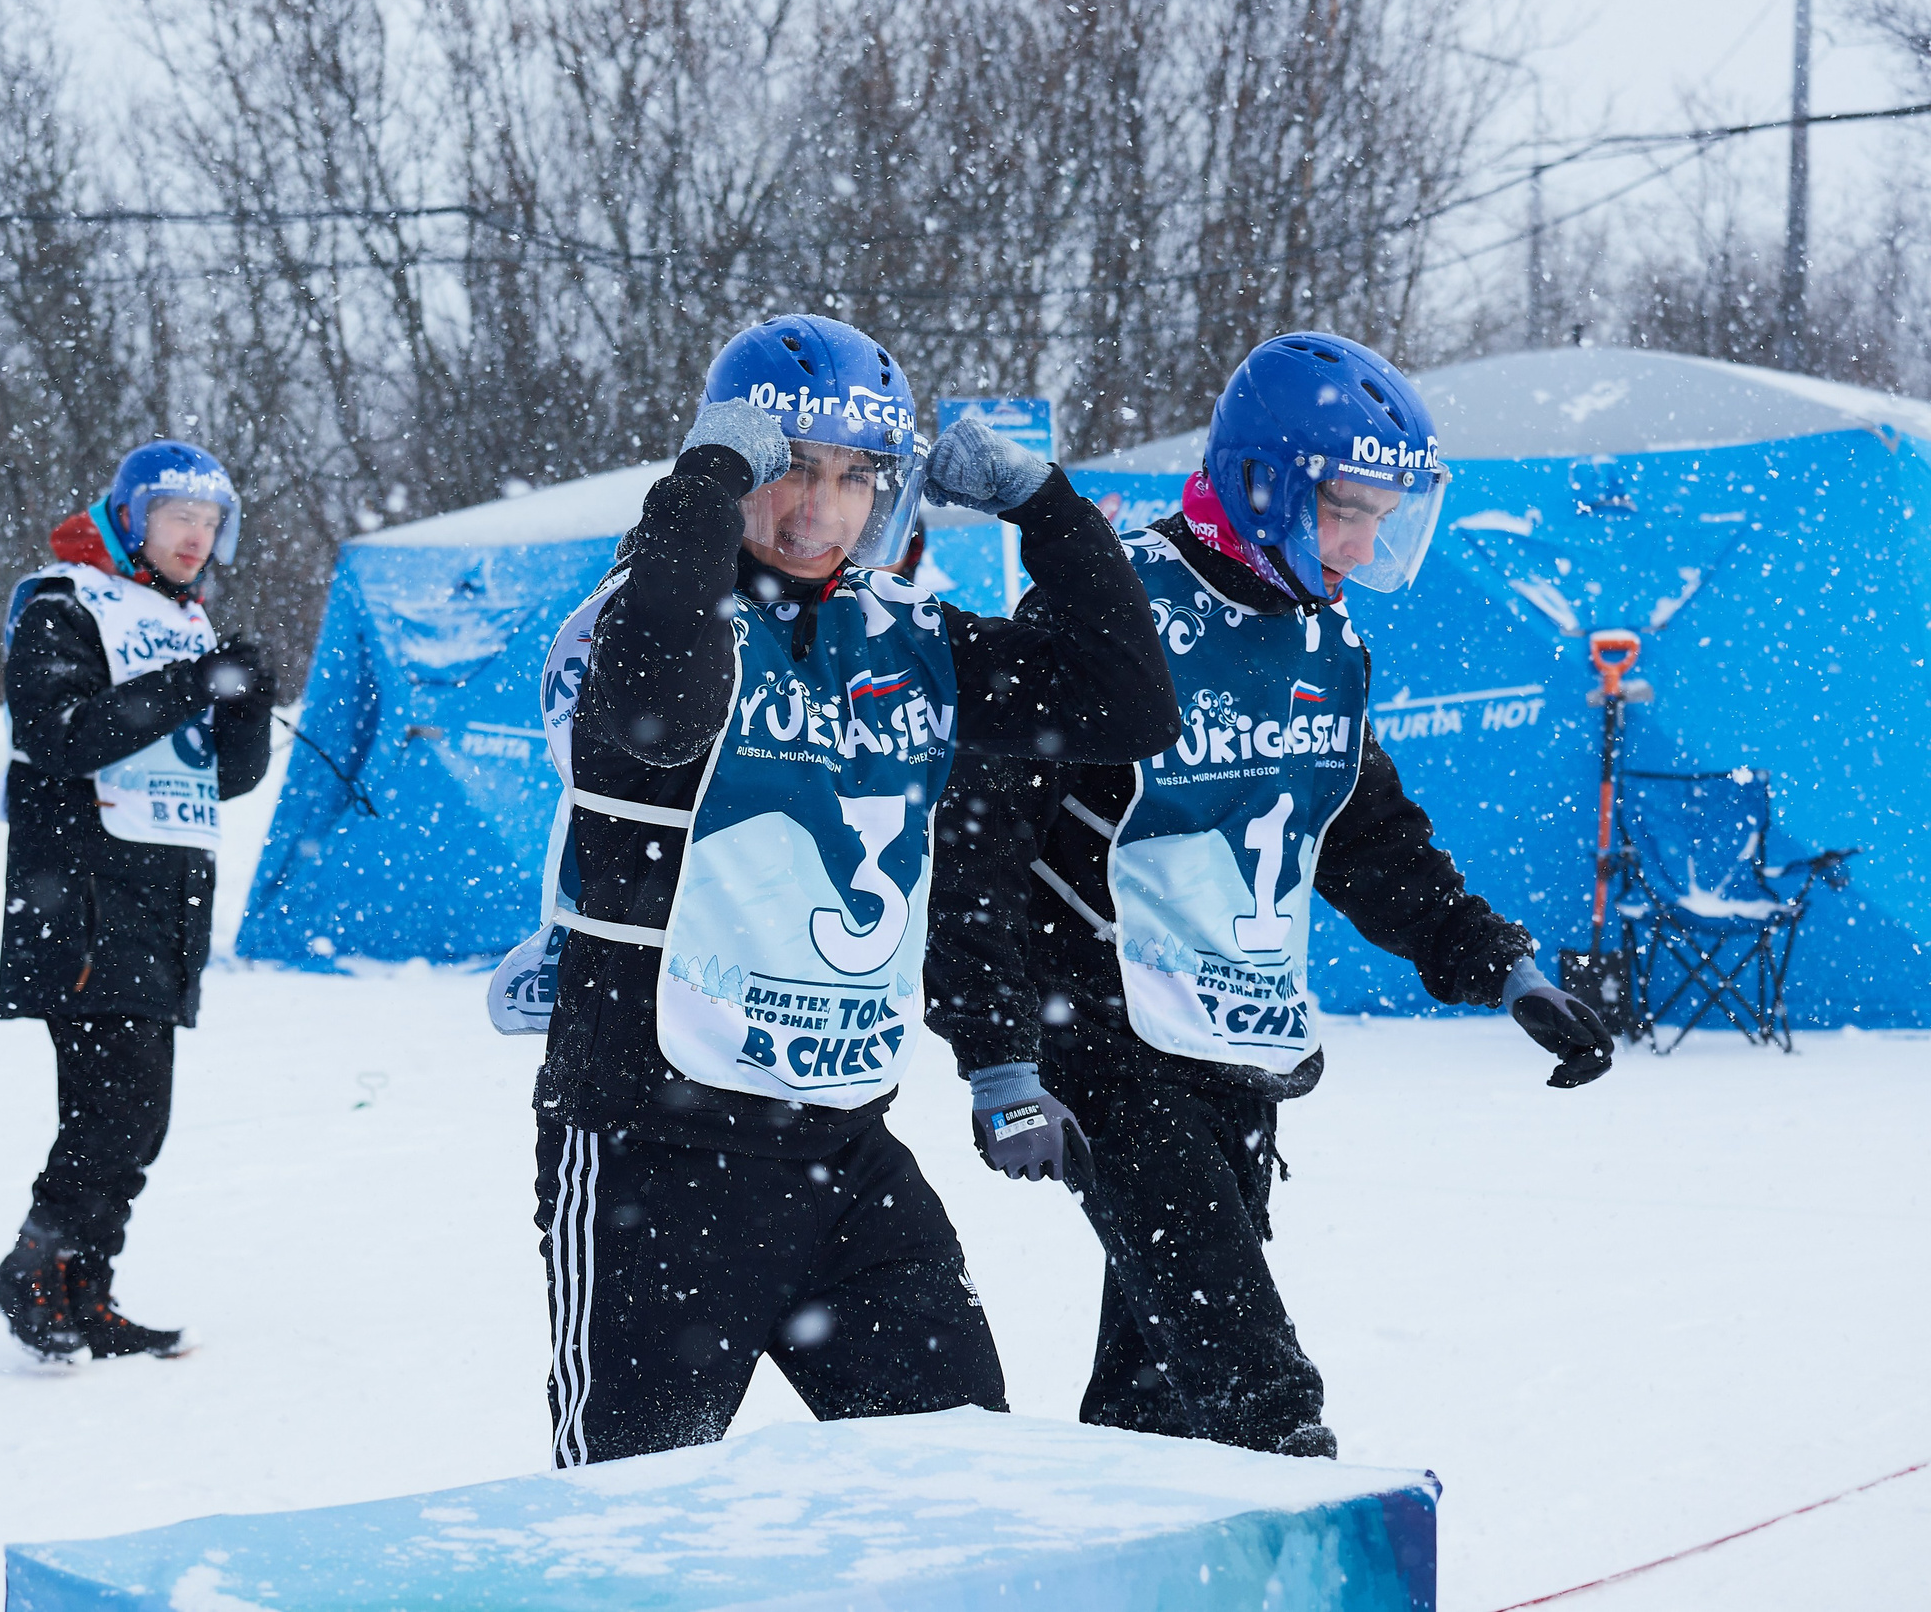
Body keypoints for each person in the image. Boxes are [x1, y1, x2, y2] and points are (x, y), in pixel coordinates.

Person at [923, 330, 1618, 1460]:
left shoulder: (1323, 635)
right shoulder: (1116, 613)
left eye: (1384, 517)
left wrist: (1501, 964)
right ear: (1260, 483)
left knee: (1158, 1396)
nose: (1362, 543)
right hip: (1100, 1032)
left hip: (1236, 1042)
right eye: (1344, 508)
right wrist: (1000, 1055)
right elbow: (980, 853)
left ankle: (1129, 1547)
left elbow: (1363, 832)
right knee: (1254, 1380)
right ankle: (1307, 1543)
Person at [518, 314, 1179, 1466]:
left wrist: (1048, 510)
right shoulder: (634, 620)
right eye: (788, 472)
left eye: (854, 477)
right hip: (652, 1147)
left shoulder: (906, 637)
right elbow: (659, 717)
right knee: (630, 1526)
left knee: (956, 1485)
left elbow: (1128, 707)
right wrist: (705, 481)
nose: (817, 509)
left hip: (842, 1149)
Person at [0, 440, 275, 1363]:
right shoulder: (64, 604)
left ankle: (84, 1287)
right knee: (116, 1105)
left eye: (210, 521)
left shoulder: (183, 619)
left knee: (136, 1113)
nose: (196, 536)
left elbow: (228, 777)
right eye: (178, 516)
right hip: (82, 893)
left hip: (167, 897)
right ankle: (36, 1268)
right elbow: (61, 734)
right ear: (131, 516)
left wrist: (245, 701)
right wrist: (194, 682)